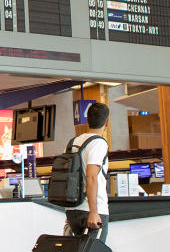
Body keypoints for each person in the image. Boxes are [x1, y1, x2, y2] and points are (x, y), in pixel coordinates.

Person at [64, 102, 111, 243]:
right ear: (107, 122)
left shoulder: (75, 141)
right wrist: (94, 211)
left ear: (87, 120)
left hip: (73, 210)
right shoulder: (99, 143)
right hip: (91, 211)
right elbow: (91, 177)